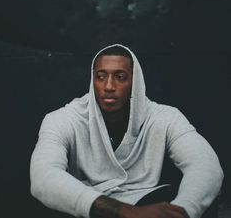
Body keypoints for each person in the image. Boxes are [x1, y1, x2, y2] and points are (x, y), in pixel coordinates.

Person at [30, 44, 224, 218]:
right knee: (50, 201)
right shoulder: (64, 118)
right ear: (93, 80)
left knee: (204, 199)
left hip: (144, 201)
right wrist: (124, 212)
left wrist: (183, 210)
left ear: (135, 82)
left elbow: (205, 164)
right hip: (90, 208)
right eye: (101, 76)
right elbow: (43, 175)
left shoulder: (164, 117)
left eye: (120, 77)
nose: (108, 86)